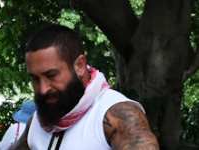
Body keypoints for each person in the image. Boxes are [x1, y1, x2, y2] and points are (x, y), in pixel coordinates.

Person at [11, 24, 159, 150]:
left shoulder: (117, 114)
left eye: (51, 75)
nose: (43, 89)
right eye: (35, 79)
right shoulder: (38, 120)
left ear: (80, 66)